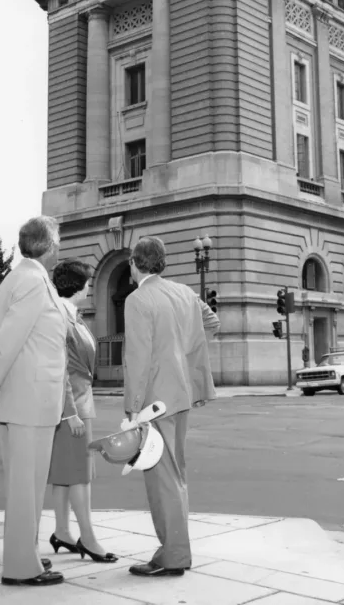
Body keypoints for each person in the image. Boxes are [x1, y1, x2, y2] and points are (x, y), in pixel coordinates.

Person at [0, 215, 70, 588]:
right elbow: (8, 339)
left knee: (28, 486)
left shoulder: (21, 278)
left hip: (27, 399)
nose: (60, 249)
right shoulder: (32, 281)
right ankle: (20, 565)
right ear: (48, 245)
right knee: (25, 487)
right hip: (29, 400)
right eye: (58, 242)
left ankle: (25, 553)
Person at [123, 236, 219, 578]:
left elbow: (137, 357)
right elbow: (212, 323)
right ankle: (176, 549)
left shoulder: (138, 300)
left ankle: (173, 554)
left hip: (154, 402)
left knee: (161, 478)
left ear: (135, 263)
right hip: (181, 396)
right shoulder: (184, 294)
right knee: (176, 474)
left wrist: (132, 409)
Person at [47, 259, 118, 564]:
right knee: (80, 475)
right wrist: (69, 413)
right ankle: (87, 539)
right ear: (78, 284)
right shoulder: (61, 316)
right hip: (72, 407)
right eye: (88, 281)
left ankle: (62, 531)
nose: (90, 286)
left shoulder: (69, 314)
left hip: (75, 403)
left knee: (65, 473)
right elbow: (58, 367)